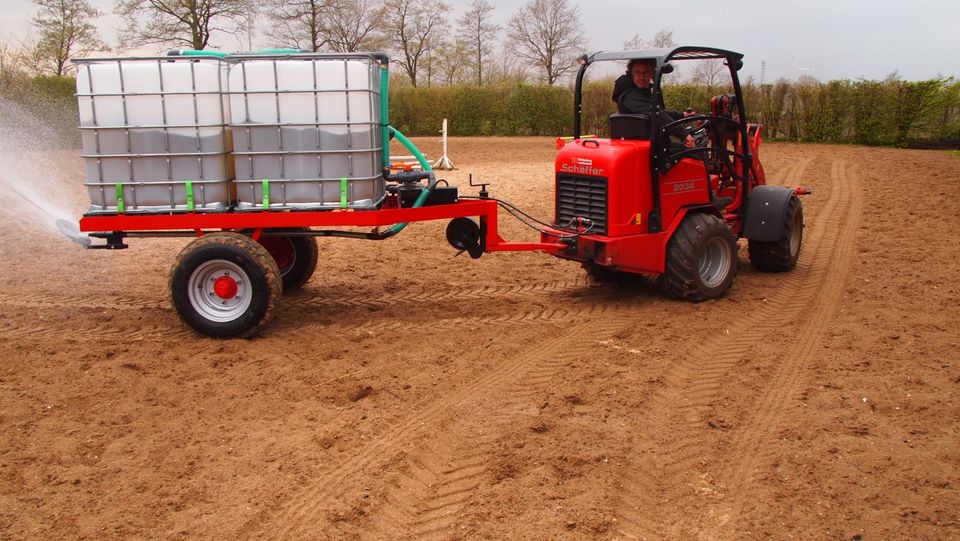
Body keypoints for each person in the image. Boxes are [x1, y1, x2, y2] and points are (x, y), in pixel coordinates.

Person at [612, 59, 694, 148]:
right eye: (637, 72)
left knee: (691, 148)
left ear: (652, 73)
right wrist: (684, 134)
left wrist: (682, 115)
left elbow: (659, 112)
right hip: (645, 148)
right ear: (631, 73)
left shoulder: (643, 92)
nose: (642, 77)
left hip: (652, 143)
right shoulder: (630, 95)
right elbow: (656, 114)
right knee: (697, 152)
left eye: (646, 73)